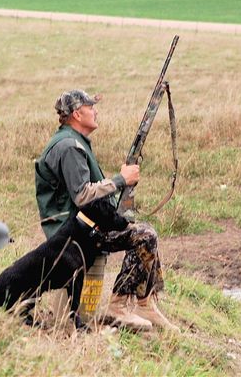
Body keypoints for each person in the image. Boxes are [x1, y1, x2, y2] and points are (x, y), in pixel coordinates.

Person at [34, 89, 178, 331]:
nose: (96, 111)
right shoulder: (69, 146)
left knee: (142, 233)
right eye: (91, 107)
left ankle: (146, 302)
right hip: (76, 232)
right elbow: (82, 195)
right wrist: (120, 180)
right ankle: (119, 306)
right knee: (145, 235)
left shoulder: (72, 142)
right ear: (77, 114)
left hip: (82, 225)